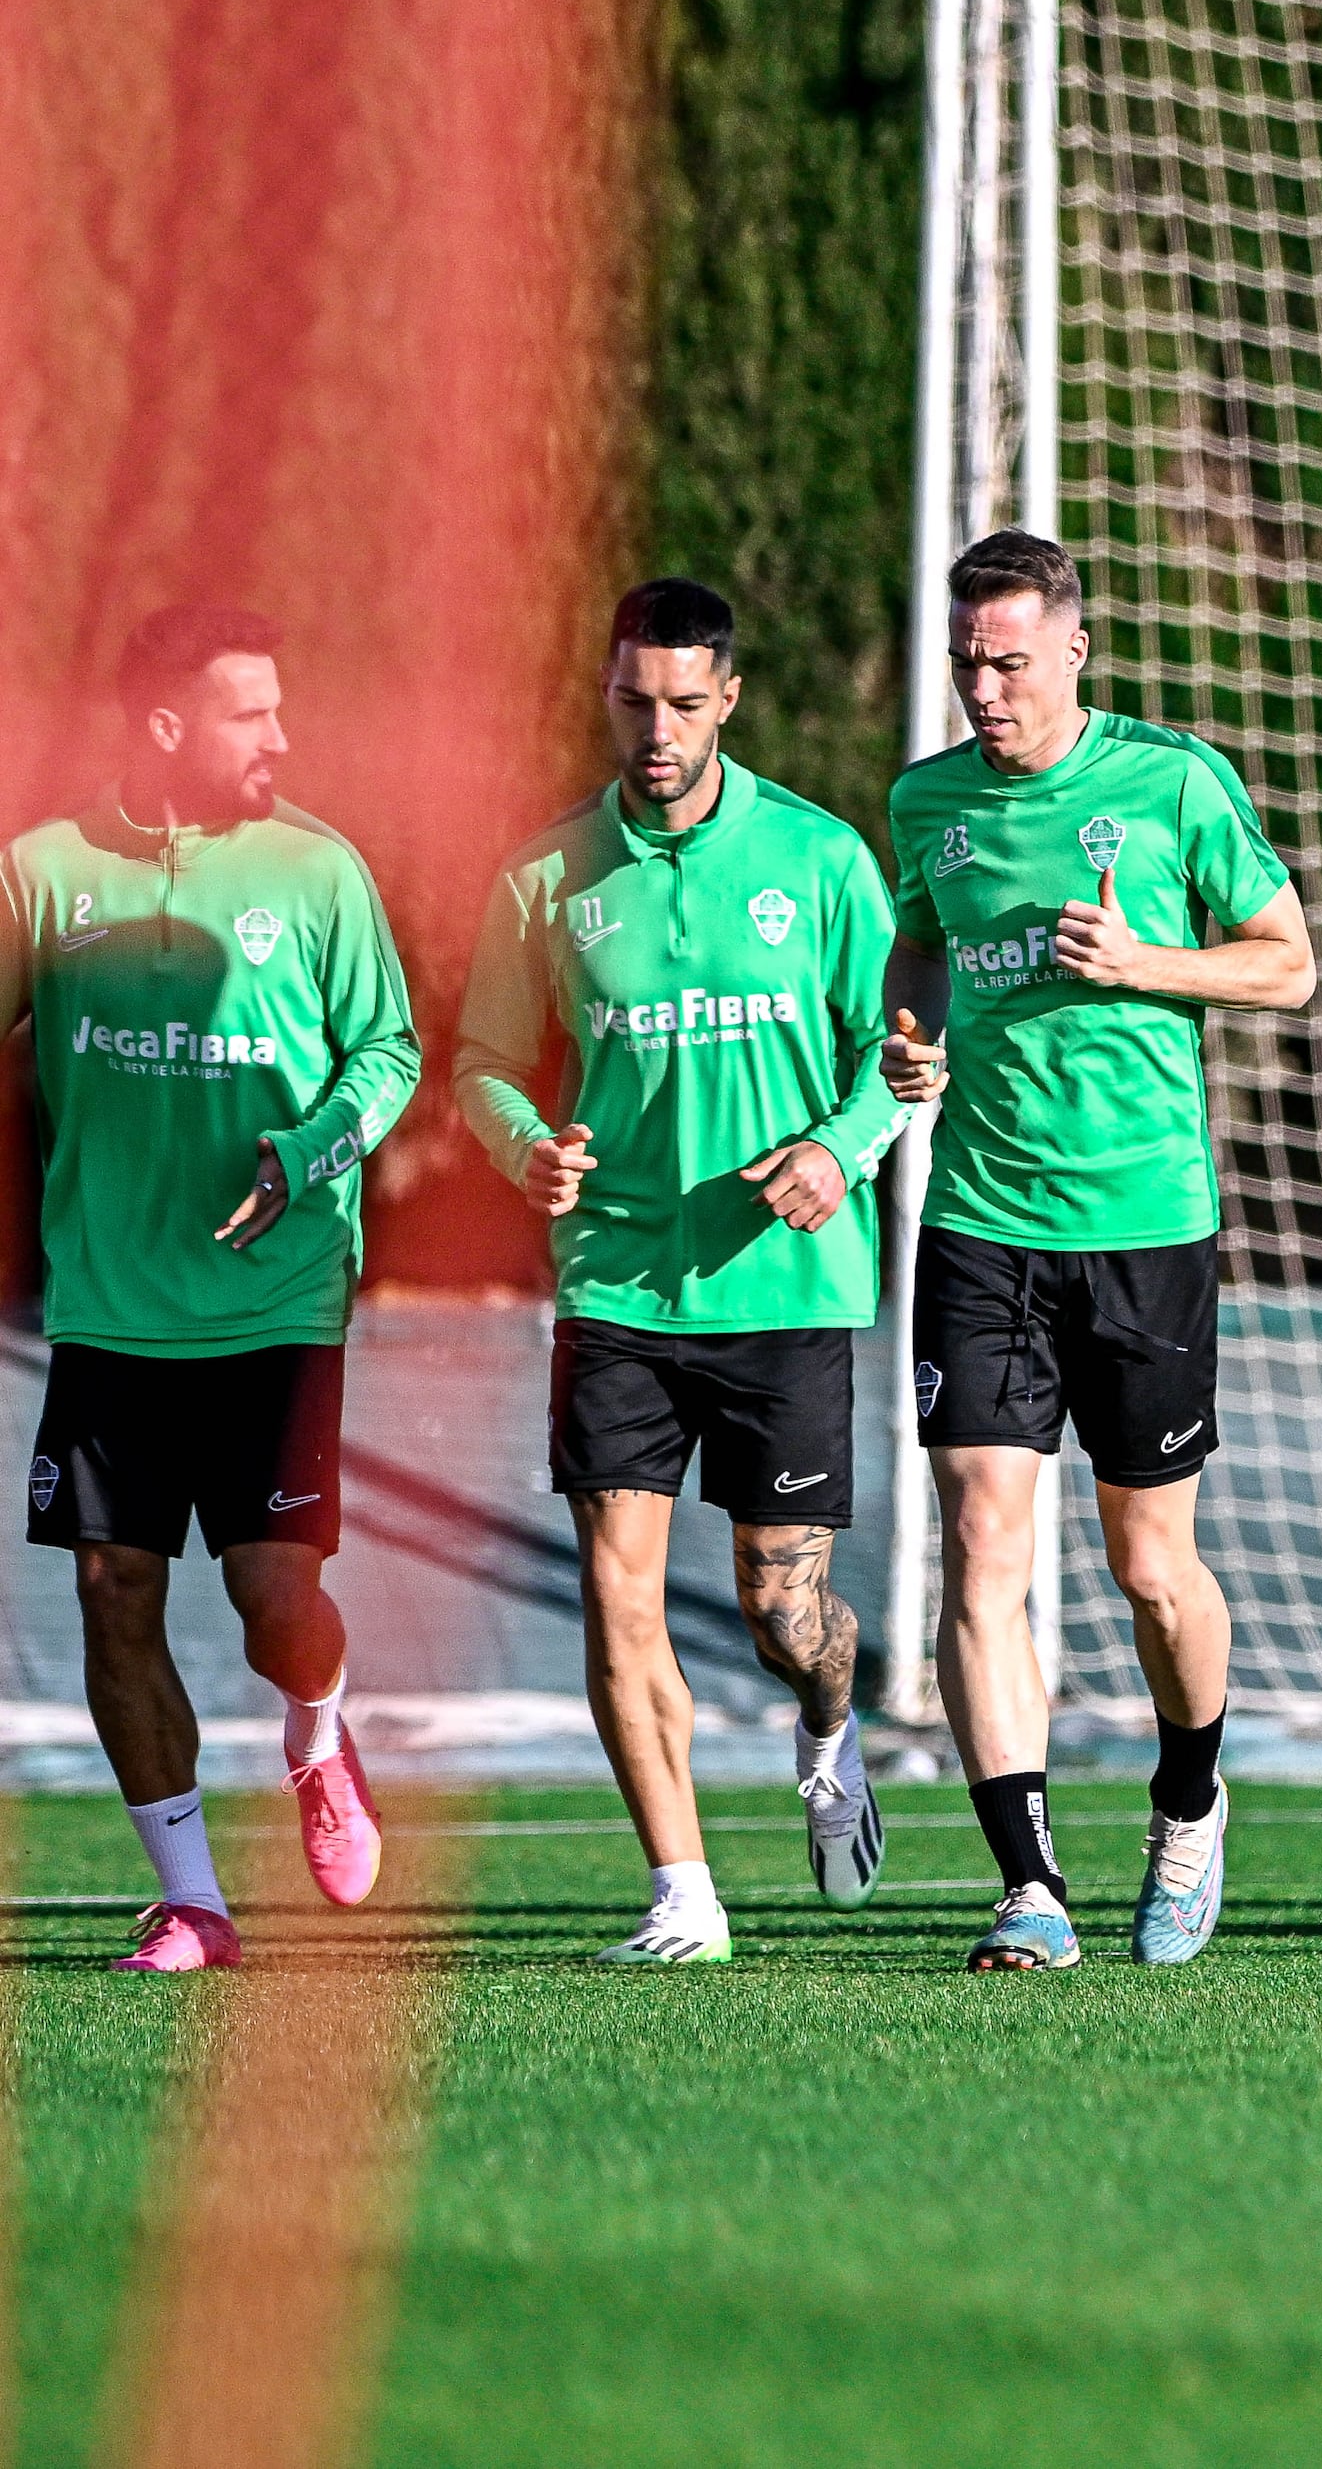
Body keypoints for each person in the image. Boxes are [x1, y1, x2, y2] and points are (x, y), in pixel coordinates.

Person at [881, 531, 1318, 1972]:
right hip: (980, 1225)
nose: (986, 690)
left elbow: (1287, 959)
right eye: (966, 663)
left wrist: (1147, 964)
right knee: (982, 1544)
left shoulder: (1173, 780)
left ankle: (1190, 1804)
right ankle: (1027, 1884)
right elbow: (920, 944)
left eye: (1010, 661)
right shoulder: (927, 800)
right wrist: (910, 1021)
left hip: (1144, 1227)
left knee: (1149, 1565)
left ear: (1074, 650)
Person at [459, 580, 903, 1962]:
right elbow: (477, 1064)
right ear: (607, 693)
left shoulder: (819, 859)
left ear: (729, 701)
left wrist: (841, 1147)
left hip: (784, 1287)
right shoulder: (545, 878)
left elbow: (895, 1056)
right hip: (616, 1289)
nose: (658, 728)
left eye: (684, 703)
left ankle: (828, 1733)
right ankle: (683, 1892)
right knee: (618, 1590)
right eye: (634, 699)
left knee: (782, 1613)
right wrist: (526, 1146)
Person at [0, 605, 415, 1970]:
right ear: (167, 728)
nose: (282, 738)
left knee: (272, 1596)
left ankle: (316, 1728)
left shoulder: (317, 873)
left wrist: (312, 1151)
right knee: (116, 1586)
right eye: (253, 714)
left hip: (274, 1303)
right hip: (112, 1313)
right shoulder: (46, 874)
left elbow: (390, 1053)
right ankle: (192, 1900)